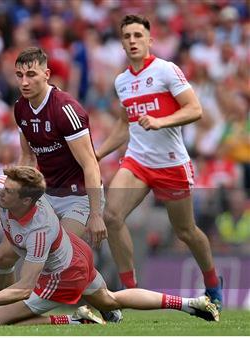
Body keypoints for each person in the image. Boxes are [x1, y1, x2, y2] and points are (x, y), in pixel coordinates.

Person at [0, 163, 219, 326]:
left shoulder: (39, 229)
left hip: (63, 275)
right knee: (109, 300)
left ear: (26, 199)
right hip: (74, 254)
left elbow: (25, 288)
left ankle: (74, 318)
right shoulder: (14, 195)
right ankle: (191, 304)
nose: (1, 194)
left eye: (8, 193)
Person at [95, 14, 223, 309]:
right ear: (122, 43)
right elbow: (124, 123)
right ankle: (129, 293)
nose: (132, 41)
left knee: (185, 231)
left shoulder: (166, 70)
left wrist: (160, 120)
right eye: (127, 36)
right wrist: (99, 153)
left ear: (149, 40)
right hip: (137, 162)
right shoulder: (122, 81)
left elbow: (195, 109)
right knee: (112, 216)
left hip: (170, 164)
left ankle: (213, 283)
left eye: (138, 36)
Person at [0, 47, 119, 322]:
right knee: (2, 256)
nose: (24, 82)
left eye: (31, 75)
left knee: (57, 260)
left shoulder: (65, 109)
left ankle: (106, 304)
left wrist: (96, 214)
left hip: (78, 196)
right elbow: (27, 157)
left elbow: (90, 164)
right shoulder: (21, 108)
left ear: (47, 74)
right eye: (19, 75)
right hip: (45, 196)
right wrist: (9, 196)